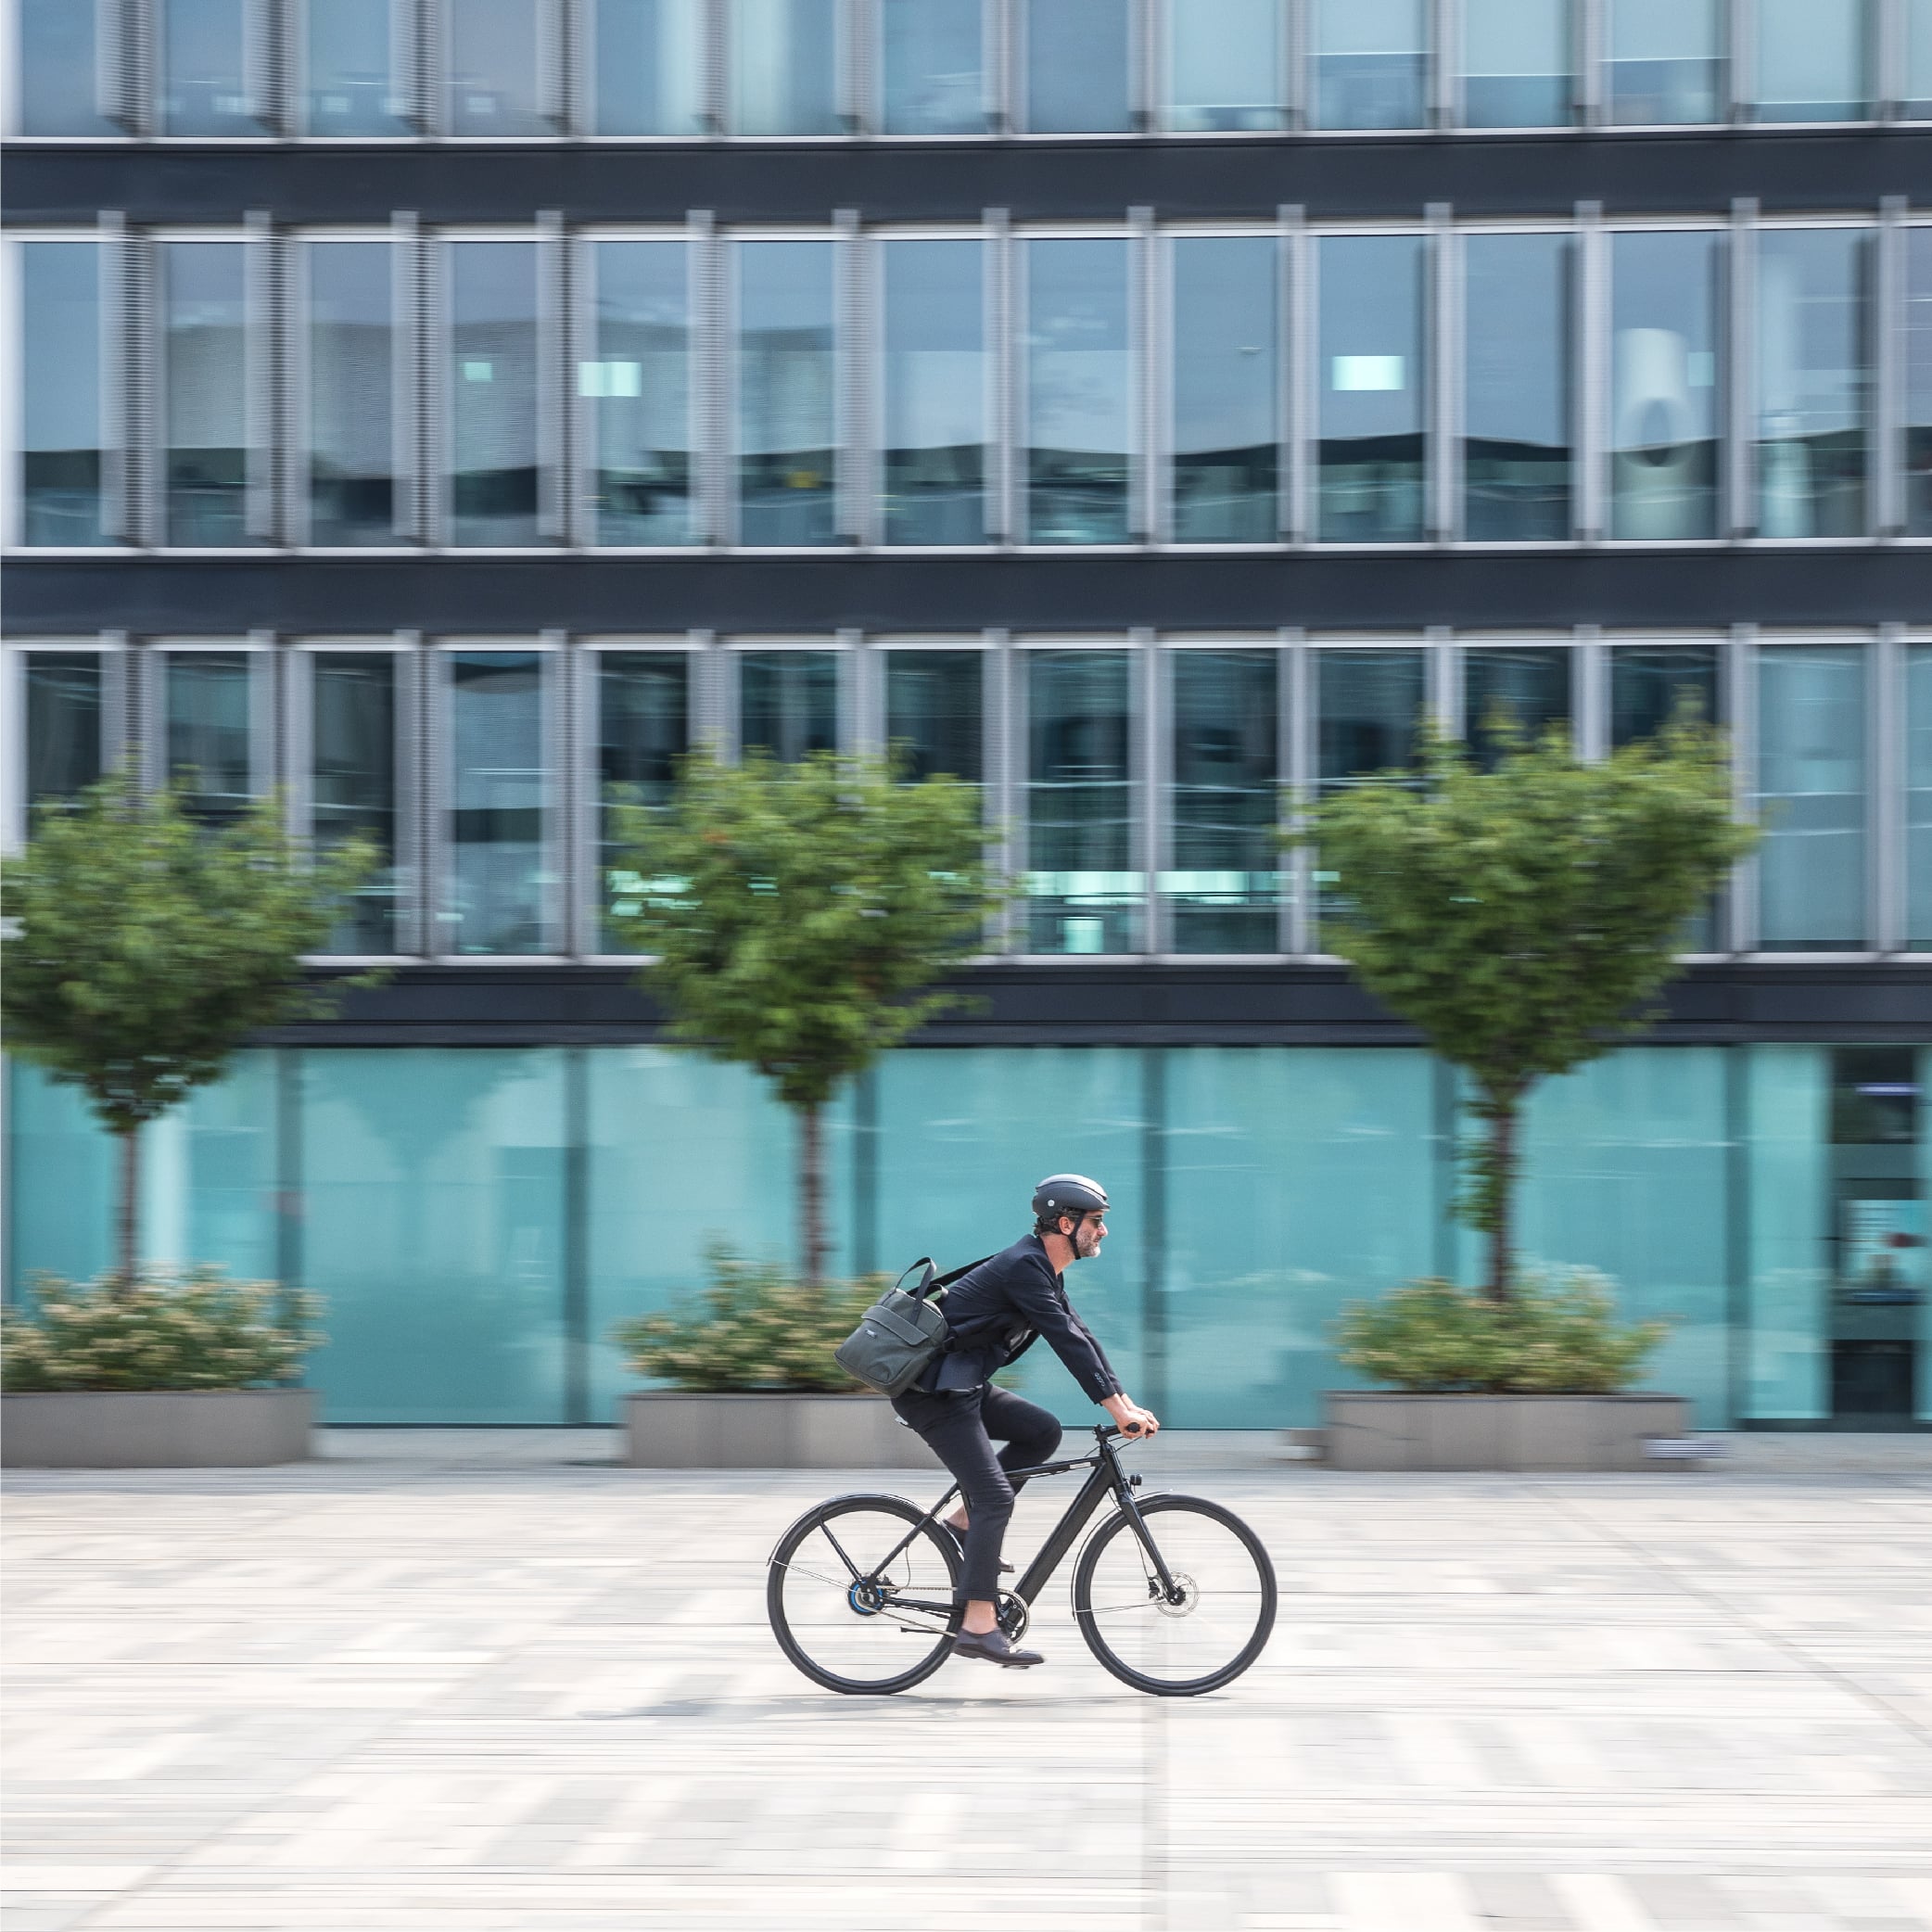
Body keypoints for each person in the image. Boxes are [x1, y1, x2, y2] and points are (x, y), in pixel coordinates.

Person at [891, 1173, 1161, 1669]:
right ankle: (976, 1627)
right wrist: (1116, 1411)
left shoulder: (1040, 1268)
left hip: (961, 1386)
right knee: (994, 1496)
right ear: (1065, 1222)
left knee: (1042, 1431)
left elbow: (1081, 1334)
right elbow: (1066, 1341)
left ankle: (963, 1525)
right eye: (1096, 1222)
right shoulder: (1023, 1268)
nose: (1102, 1232)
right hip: (933, 1395)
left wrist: (1125, 1401)